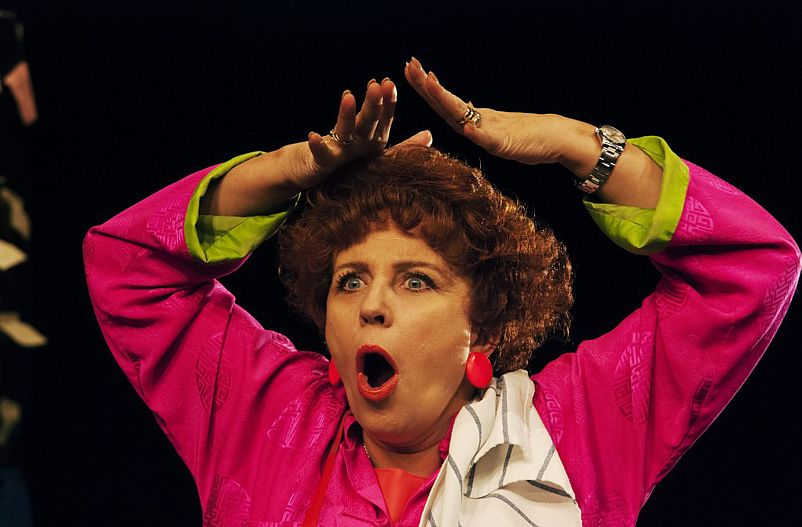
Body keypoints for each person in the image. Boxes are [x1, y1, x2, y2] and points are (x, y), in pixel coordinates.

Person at [84, 57, 799, 526]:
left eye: (415, 280)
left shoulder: (579, 428)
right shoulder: (267, 415)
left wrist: (579, 144)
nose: (371, 305)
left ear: (481, 323)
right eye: (350, 280)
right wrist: (289, 169)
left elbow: (752, 267)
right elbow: (128, 264)